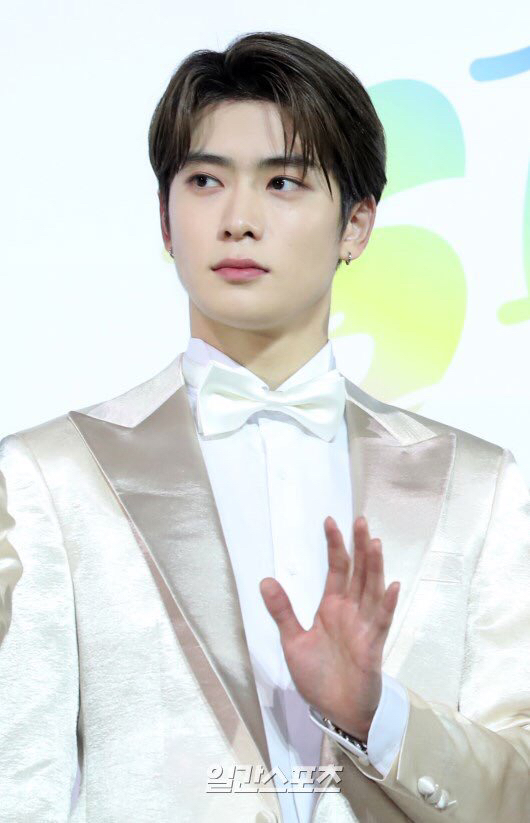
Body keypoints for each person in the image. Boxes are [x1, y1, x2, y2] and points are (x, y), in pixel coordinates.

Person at [0, 30, 528, 823]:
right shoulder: (51, 476)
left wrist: (376, 712)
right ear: (165, 219)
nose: (239, 218)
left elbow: (518, 790)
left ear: (357, 224)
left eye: (283, 182)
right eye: (205, 180)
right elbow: (17, 784)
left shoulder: (480, 487)